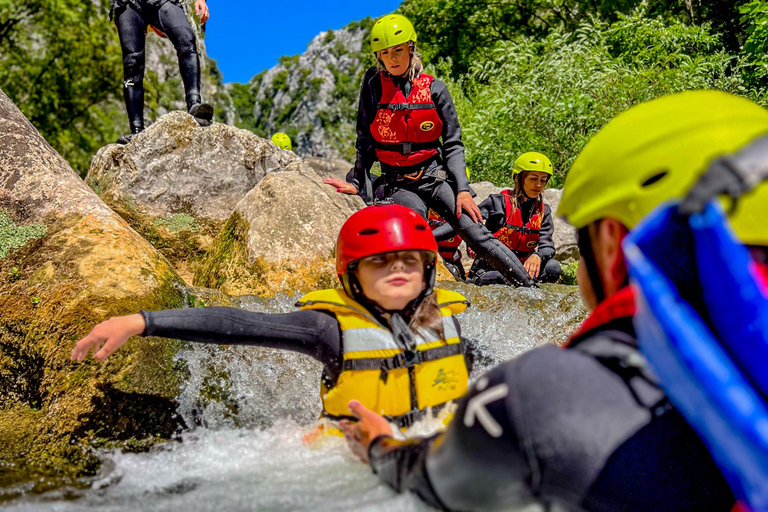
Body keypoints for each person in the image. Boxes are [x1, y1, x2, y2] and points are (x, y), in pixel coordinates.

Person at [338, 91, 768, 511]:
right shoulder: (498, 204)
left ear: (610, 242)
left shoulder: (539, 393)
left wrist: (378, 443)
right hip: (490, 271)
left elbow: (424, 477)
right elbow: (469, 232)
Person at [71, 204, 471, 429]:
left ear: (428, 270)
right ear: (352, 275)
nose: (398, 269)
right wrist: (142, 322)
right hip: (351, 458)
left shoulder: (448, 325)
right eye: (380, 262)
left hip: (433, 451)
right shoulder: (328, 330)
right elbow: (237, 324)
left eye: (409, 261)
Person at [322, 14, 534, 287]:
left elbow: (453, 143)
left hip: (434, 177)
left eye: (398, 50)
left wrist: (463, 190)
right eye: (385, 53)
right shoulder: (374, 86)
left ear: (411, 47)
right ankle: (416, 299)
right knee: (412, 234)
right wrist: (356, 182)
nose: (392, 59)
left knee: (477, 234)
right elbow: (365, 140)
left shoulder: (436, 89)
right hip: (398, 184)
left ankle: (531, 290)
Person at [112, 0, 214, 145]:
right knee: (132, 64)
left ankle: (195, 106)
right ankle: (136, 131)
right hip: (125, 4)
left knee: (186, 38)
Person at [465, 152, 561, 285]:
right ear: (519, 178)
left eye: (543, 180)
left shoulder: (543, 212)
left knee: (552, 267)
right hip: (492, 269)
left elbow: (548, 247)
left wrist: (537, 255)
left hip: (521, 268)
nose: (539, 185)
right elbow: (464, 222)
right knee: (503, 279)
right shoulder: (497, 202)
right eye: (533, 179)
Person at [427, 209, 465, 281]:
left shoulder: (458, 215)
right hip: (435, 261)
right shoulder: (425, 214)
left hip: (453, 259)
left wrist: (471, 248)